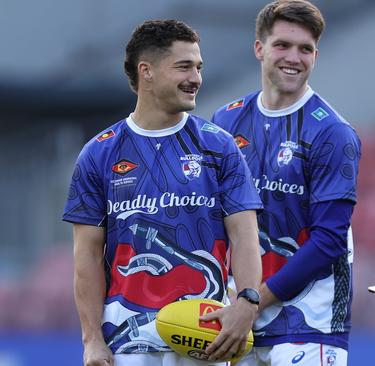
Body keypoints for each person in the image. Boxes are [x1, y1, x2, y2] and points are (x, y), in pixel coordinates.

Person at [62, 19, 263, 366]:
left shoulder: (219, 146)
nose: (196, 78)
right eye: (183, 66)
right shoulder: (99, 153)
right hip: (128, 345)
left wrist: (246, 304)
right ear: (147, 72)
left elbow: (245, 235)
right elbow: (87, 258)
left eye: (198, 67)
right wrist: (92, 340)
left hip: (204, 338)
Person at [205, 1, 361, 365]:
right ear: (259, 49)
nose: (294, 57)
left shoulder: (332, 132)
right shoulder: (225, 122)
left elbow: (329, 242)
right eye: (283, 45)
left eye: (305, 49)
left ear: (316, 56)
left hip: (309, 323)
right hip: (237, 321)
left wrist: (253, 300)